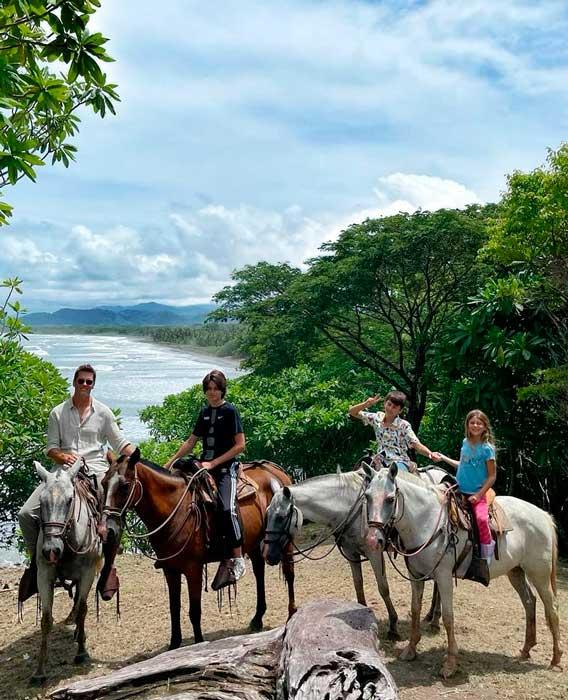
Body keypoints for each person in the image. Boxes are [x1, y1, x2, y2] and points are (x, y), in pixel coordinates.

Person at [18, 364, 135, 602]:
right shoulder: (58, 413)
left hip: (95, 471)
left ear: (93, 384)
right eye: (81, 381)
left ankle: (108, 568)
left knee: (113, 518)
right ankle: (36, 565)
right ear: (74, 382)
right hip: (61, 474)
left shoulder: (103, 413)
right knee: (26, 514)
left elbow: (120, 444)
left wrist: (140, 459)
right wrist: (62, 456)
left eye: (89, 382)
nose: (84, 385)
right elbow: (50, 447)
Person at [163, 369, 246, 590]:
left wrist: (214, 463)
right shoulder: (204, 412)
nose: (212, 393)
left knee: (227, 509)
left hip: (225, 468)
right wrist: (171, 461)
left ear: (222, 389)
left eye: (215, 388)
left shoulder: (230, 411)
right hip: (203, 465)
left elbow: (240, 445)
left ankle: (237, 558)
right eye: (208, 389)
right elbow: (191, 442)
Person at [437, 409, 497, 565]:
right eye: (472, 422)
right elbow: (462, 465)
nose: (475, 425)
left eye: (479, 423)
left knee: (481, 519)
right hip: (458, 488)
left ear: (484, 426)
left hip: (477, 492)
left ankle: (486, 557)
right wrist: (443, 457)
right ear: (467, 424)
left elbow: (492, 476)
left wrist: (479, 495)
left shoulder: (487, 449)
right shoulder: (465, 443)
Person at [348, 390, 441, 472]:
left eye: (394, 407)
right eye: (389, 404)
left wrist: (430, 453)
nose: (390, 408)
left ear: (400, 411)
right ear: (384, 403)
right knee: (360, 474)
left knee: (396, 479)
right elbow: (352, 412)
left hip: (399, 461)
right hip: (379, 460)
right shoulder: (376, 418)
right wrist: (365, 404)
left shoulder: (404, 425)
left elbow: (416, 444)